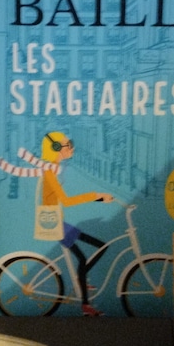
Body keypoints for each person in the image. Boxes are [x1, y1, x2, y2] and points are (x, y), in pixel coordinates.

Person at [37, 132, 113, 314]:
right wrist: (97, 196)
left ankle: (82, 279)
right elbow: (67, 201)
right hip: (54, 224)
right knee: (89, 254)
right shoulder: (50, 172)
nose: (72, 148)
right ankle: (86, 305)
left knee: (98, 248)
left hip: (58, 222)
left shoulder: (54, 169)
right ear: (56, 148)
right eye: (68, 145)